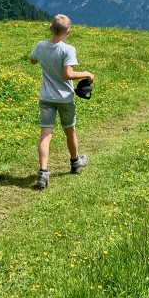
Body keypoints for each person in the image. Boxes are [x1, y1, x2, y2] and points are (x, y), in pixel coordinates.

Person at [29, 14, 94, 189]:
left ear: (51, 29)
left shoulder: (40, 46)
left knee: (45, 134)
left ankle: (43, 172)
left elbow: (32, 60)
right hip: (64, 98)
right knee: (69, 131)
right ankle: (75, 163)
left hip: (46, 97)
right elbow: (68, 74)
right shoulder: (68, 50)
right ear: (68, 32)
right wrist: (87, 74)